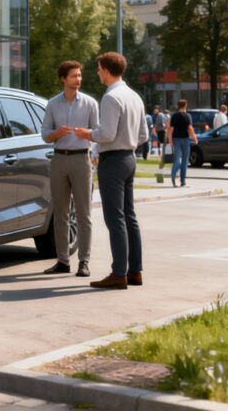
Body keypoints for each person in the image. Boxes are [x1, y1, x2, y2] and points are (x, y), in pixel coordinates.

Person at [74, 52, 149, 290]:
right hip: (129, 158)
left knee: (114, 218)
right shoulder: (134, 96)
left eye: (98, 69)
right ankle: (134, 270)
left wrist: (86, 134)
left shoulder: (111, 97)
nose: (97, 73)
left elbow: (106, 134)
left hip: (113, 160)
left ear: (106, 70)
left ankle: (118, 273)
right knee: (129, 217)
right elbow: (144, 135)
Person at [39, 60, 98, 278]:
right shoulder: (53, 104)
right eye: (74, 76)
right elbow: (45, 134)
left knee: (84, 214)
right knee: (60, 213)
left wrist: (87, 135)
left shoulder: (91, 103)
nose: (79, 79)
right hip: (59, 160)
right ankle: (63, 261)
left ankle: (84, 261)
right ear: (63, 79)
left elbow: (98, 132)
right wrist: (57, 134)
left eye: (80, 75)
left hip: (82, 160)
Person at [167, 99, 197, 188]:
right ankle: (183, 181)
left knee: (176, 160)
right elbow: (190, 129)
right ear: (185, 105)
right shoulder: (188, 116)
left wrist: (170, 141)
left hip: (176, 139)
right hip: (185, 140)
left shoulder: (174, 116)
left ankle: (173, 176)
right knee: (185, 161)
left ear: (178, 106)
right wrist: (195, 138)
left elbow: (170, 129)